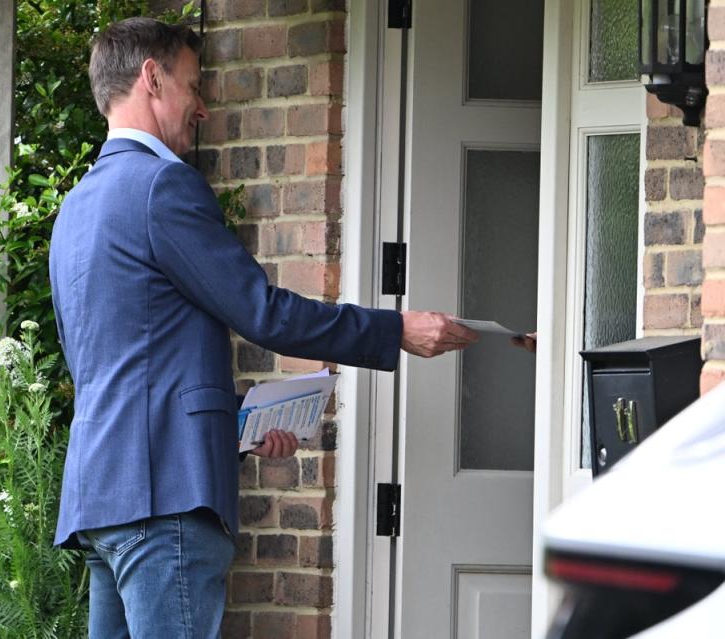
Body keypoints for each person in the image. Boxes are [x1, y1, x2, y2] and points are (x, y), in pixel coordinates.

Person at [47, 17, 479, 638]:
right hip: (163, 501)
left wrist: (234, 422)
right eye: (194, 86)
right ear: (151, 77)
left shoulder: (75, 208)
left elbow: (114, 364)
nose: (202, 106)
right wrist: (395, 330)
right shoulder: (162, 186)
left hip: (101, 496)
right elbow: (262, 310)